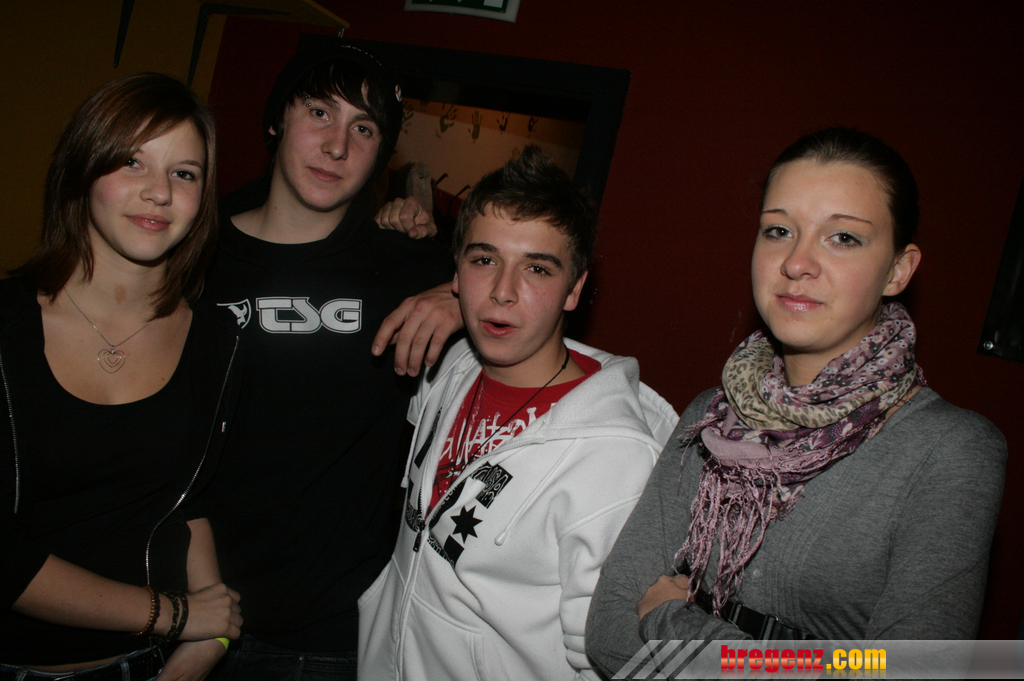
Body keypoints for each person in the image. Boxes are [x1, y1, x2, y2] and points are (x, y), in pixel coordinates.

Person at [585, 127, 1007, 677]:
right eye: (779, 230)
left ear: (898, 270)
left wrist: (671, 622)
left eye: (843, 238)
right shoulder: (709, 415)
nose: (796, 262)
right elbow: (608, 631)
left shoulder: (950, 450)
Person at [358, 146, 678, 681]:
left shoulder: (614, 459)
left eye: (536, 268)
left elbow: (605, 658)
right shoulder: (451, 366)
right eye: (484, 260)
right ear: (456, 272)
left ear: (574, 289)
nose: (502, 293)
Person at [197, 35, 455, 680]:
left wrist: (460, 298)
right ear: (276, 121)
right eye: (319, 112)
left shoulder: (409, 267)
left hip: (330, 639)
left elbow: (527, 311)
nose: (338, 146)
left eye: (363, 128)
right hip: (185, 610)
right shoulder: (193, 254)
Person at [0, 73, 243, 680]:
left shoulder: (216, 339)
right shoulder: (5, 325)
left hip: (147, 664)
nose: (159, 192)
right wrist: (173, 616)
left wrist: (205, 644)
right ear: (82, 169)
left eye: (184, 173)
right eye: (132, 161)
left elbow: (189, 499)